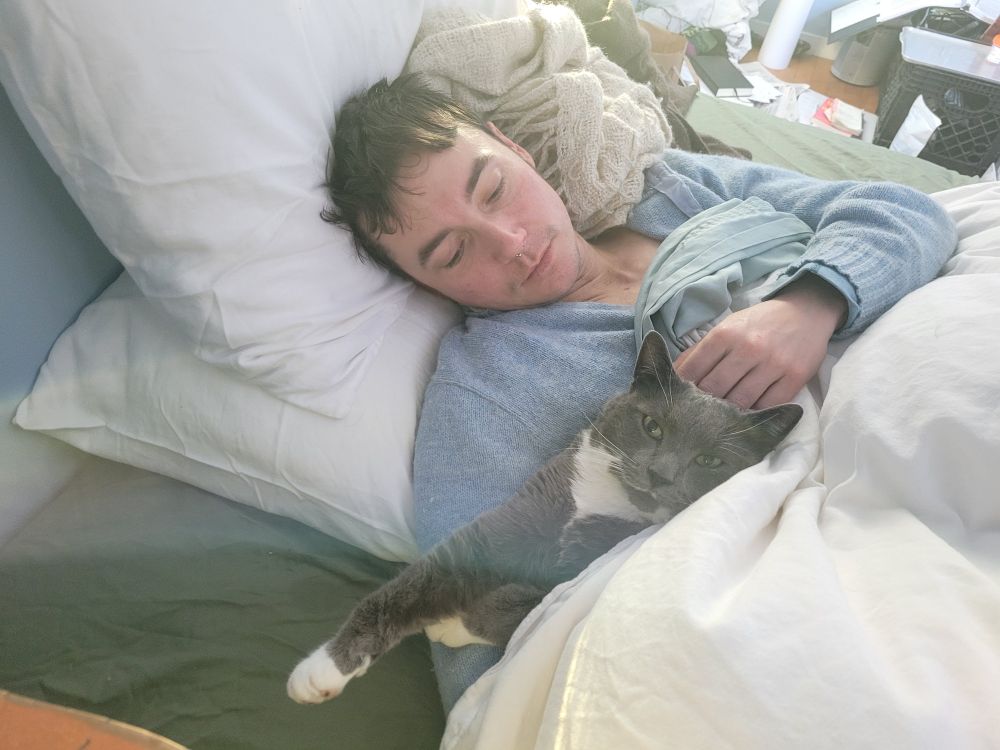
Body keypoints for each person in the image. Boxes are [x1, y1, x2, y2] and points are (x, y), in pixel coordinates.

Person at [324, 73, 958, 710]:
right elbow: (477, 658)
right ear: (427, 288)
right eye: (455, 254)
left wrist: (810, 302)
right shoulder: (485, 394)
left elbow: (908, 212)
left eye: (494, 189)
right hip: (838, 554)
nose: (512, 243)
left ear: (514, 149)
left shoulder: (666, 188)